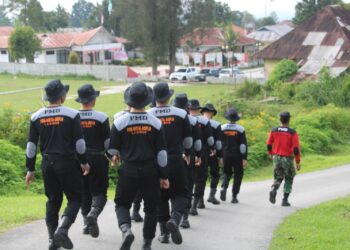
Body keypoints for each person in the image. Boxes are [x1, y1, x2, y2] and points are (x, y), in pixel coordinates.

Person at [25, 79, 90, 250]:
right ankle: (62, 230)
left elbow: (31, 147)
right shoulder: (72, 114)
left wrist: (30, 169)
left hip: (48, 164)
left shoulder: (36, 116)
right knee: (75, 199)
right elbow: (80, 144)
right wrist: (84, 162)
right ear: (62, 96)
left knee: (53, 201)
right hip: (68, 163)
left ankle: (52, 241)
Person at [108, 82, 169, 250]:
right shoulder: (156, 122)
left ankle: (126, 229)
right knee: (151, 208)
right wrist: (164, 176)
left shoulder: (120, 122)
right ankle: (147, 243)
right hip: (151, 171)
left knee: (122, 203)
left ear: (129, 101)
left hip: (128, 170)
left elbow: (112, 149)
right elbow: (162, 155)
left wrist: (115, 156)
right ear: (147, 101)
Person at [148, 83, 192, 245]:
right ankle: (175, 219)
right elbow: (188, 140)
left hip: (155, 163)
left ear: (154, 97)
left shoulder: (148, 114)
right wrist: (187, 154)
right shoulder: (181, 114)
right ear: (169, 97)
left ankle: (164, 234)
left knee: (160, 197)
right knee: (181, 193)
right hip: (176, 159)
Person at [75, 84, 110, 238]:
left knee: (83, 192)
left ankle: (85, 225)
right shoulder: (101, 117)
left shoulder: (72, 116)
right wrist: (112, 155)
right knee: (99, 192)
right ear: (93, 100)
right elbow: (108, 143)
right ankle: (94, 214)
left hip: (77, 160)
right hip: (97, 158)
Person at [173, 93, 202, 229]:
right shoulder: (193, 120)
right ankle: (184, 217)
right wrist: (197, 155)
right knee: (187, 187)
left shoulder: (162, 116)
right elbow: (196, 142)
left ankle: (169, 217)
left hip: (168, 158)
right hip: (187, 158)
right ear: (187, 106)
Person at [114, 107, 144, 223]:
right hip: (141, 157)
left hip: (126, 158)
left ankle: (127, 220)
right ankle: (135, 212)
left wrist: (115, 154)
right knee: (139, 188)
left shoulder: (119, 117)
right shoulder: (146, 117)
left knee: (126, 190)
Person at [267, 111, 301, 207]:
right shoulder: (292, 133)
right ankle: (285, 200)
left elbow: (269, 144)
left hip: (276, 157)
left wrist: (271, 154)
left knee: (278, 176)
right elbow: (296, 149)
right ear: (289, 120)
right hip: (288, 158)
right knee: (289, 178)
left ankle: (274, 189)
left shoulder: (274, 130)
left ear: (280, 119)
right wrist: (297, 161)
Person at [188, 99, 215, 214]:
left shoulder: (185, 119)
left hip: (187, 153)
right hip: (202, 152)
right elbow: (210, 139)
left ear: (188, 109)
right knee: (200, 178)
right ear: (199, 109)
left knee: (189, 178)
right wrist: (212, 148)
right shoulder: (204, 121)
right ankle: (196, 204)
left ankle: (187, 204)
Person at [220, 108, 248, 204]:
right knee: (238, 174)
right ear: (236, 119)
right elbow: (243, 145)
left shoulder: (222, 128)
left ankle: (224, 187)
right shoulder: (240, 129)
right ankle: (234, 196)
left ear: (227, 117)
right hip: (237, 155)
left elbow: (219, 143)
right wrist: (244, 158)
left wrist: (220, 156)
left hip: (225, 154)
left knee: (227, 172)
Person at [201, 103, 222, 205]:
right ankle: (211, 196)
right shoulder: (216, 124)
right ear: (213, 113)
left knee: (200, 176)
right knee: (215, 174)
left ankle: (199, 200)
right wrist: (220, 156)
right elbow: (218, 143)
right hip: (212, 153)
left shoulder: (196, 121)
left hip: (199, 153)